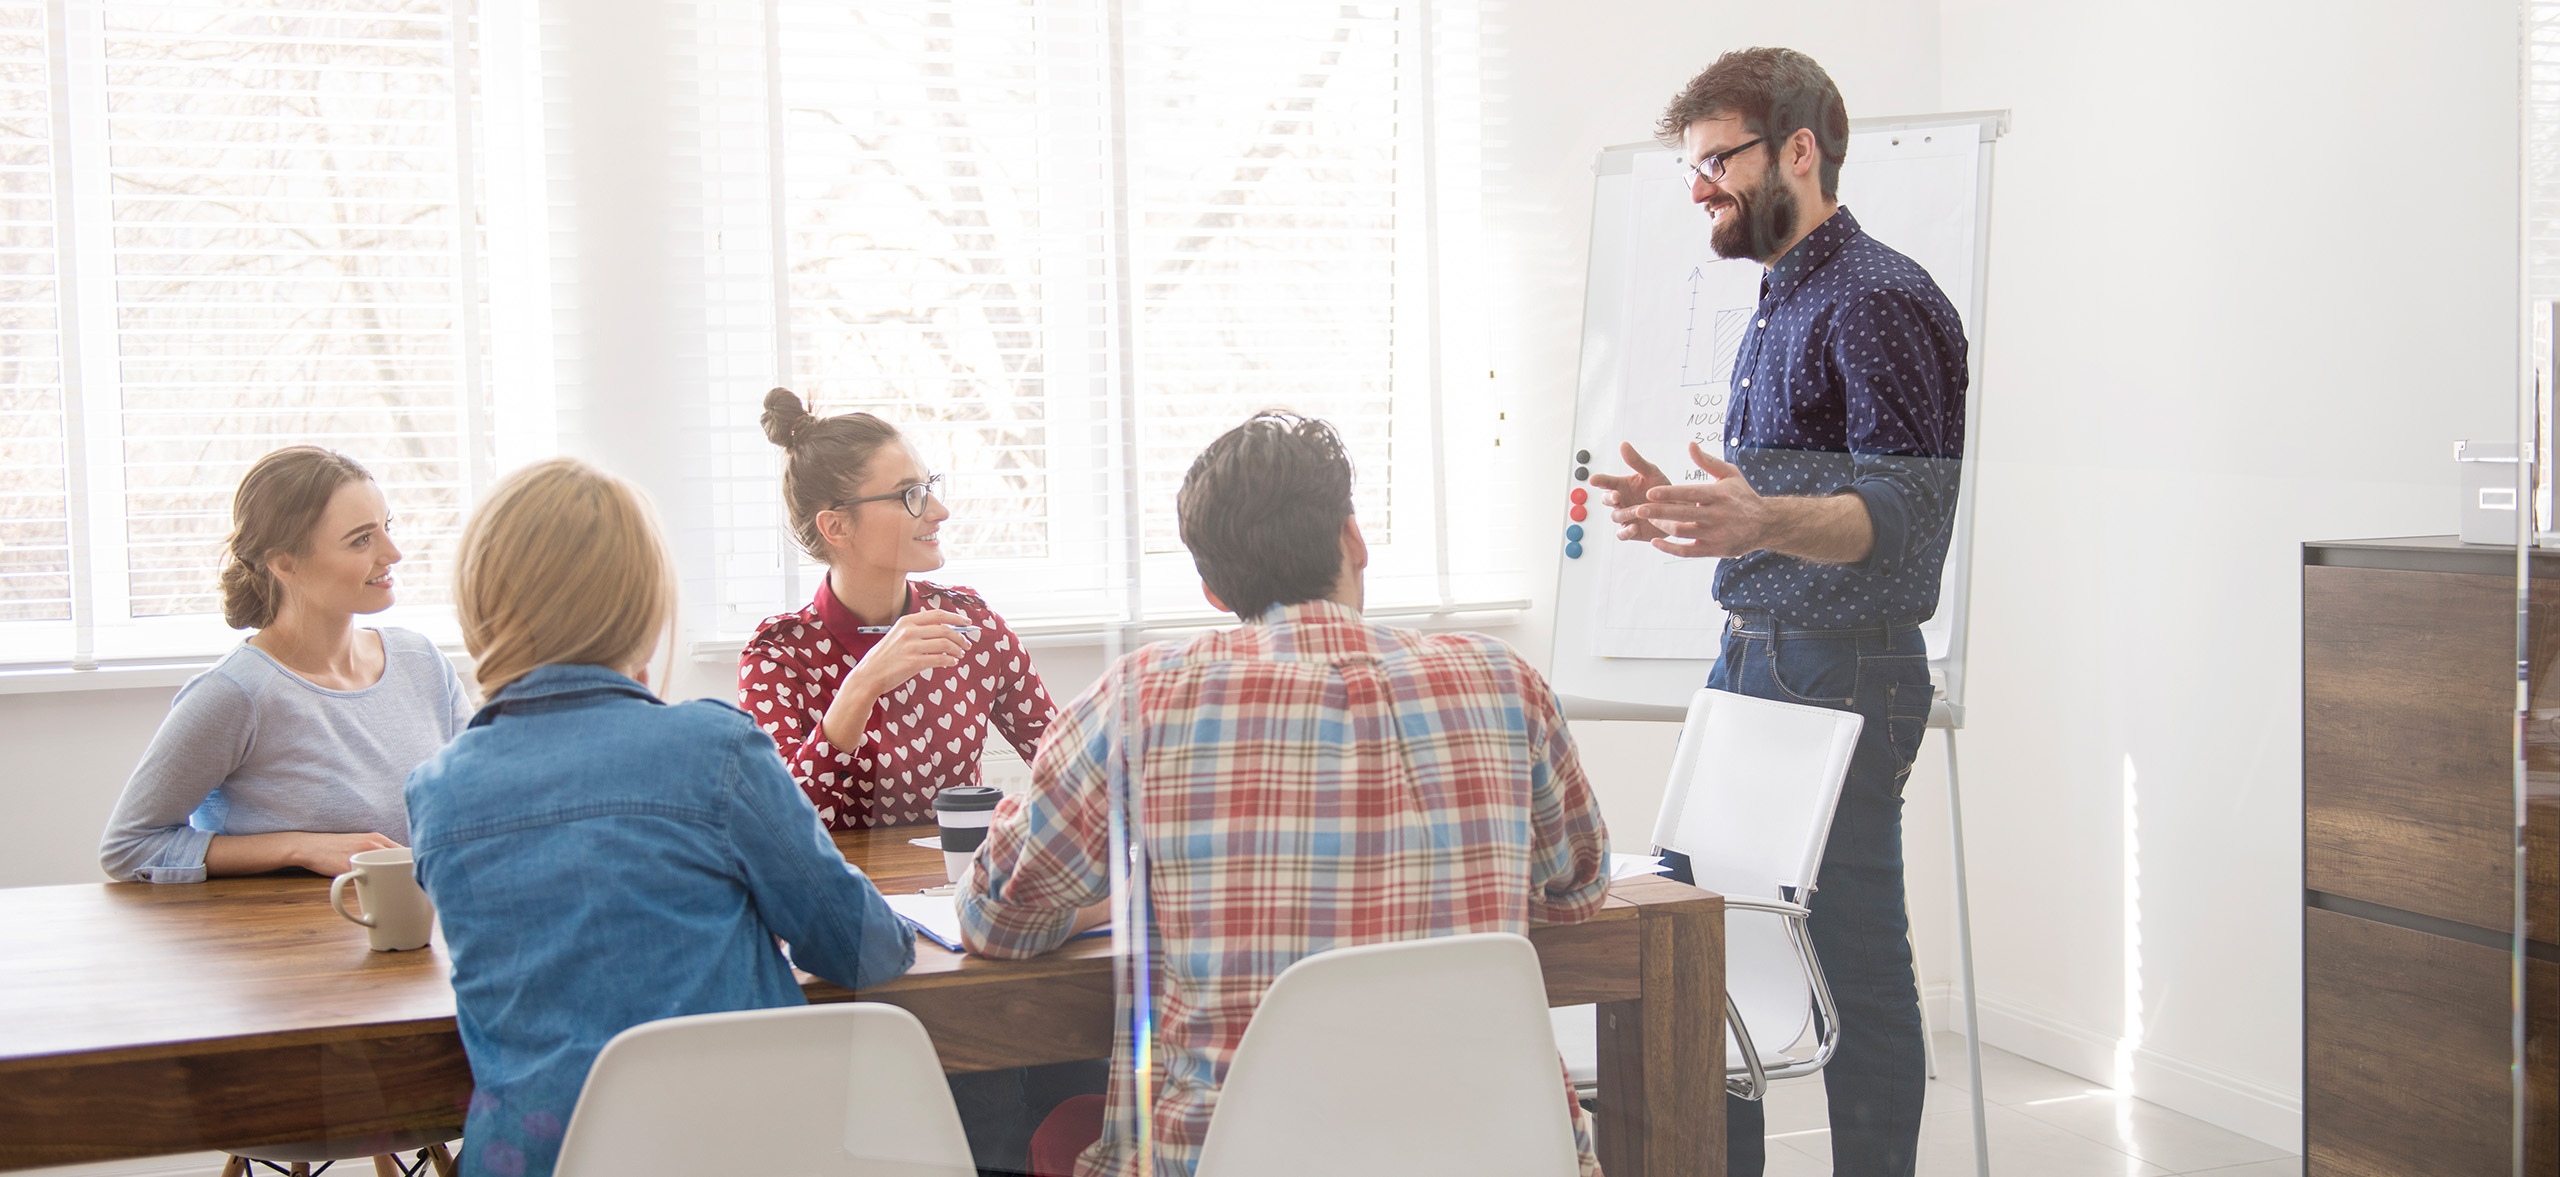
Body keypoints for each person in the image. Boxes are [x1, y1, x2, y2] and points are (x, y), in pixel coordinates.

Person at [958, 412, 1613, 1177]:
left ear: (1210, 586)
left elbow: (996, 919)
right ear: (1354, 538)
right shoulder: (1505, 681)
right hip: (1497, 1149)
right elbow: (1579, 889)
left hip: (1232, 1156)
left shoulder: (1141, 697)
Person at [1589, 47, 1967, 1177]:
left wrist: (1758, 523)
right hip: (1760, 656)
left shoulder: (1878, 299)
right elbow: (1796, 502)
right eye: (1692, 166)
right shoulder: (1785, 293)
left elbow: (1899, 513)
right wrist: (1703, 510)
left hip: (1839, 670)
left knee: (1849, 962)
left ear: (1799, 150)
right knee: (1703, 947)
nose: (1700, 186)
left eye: (1719, 160)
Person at [406, 458, 914, 1177]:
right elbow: (861, 948)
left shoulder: (437, 791)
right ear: (641, 604)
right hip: (746, 1153)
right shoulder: (715, 750)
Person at [98, 446, 471, 884]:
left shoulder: (422, 663)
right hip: (291, 940)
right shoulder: (234, 695)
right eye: (361, 539)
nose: (393, 553)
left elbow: (478, 799)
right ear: (284, 563)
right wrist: (300, 846)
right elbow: (128, 848)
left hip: (425, 928)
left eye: (386, 527)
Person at [741, 388, 1058, 830]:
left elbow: (1071, 769)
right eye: (910, 495)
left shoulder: (973, 626)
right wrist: (862, 685)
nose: (940, 511)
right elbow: (774, 823)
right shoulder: (777, 657)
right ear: (836, 526)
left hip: (953, 890)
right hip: (831, 895)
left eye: (929, 487)